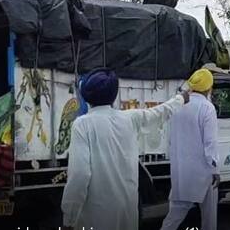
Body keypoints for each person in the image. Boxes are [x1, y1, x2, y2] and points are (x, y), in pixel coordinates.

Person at [61, 68, 189, 230]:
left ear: (86, 95)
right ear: (114, 95)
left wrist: (69, 218)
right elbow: (160, 112)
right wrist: (181, 99)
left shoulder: (83, 124)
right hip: (127, 213)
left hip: (96, 216)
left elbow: (80, 175)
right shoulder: (129, 118)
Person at [161, 69, 220, 230]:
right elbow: (210, 143)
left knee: (174, 215)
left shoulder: (177, 104)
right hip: (203, 170)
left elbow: (171, 138)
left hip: (180, 170)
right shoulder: (207, 108)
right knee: (209, 216)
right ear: (209, 88)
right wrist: (215, 169)